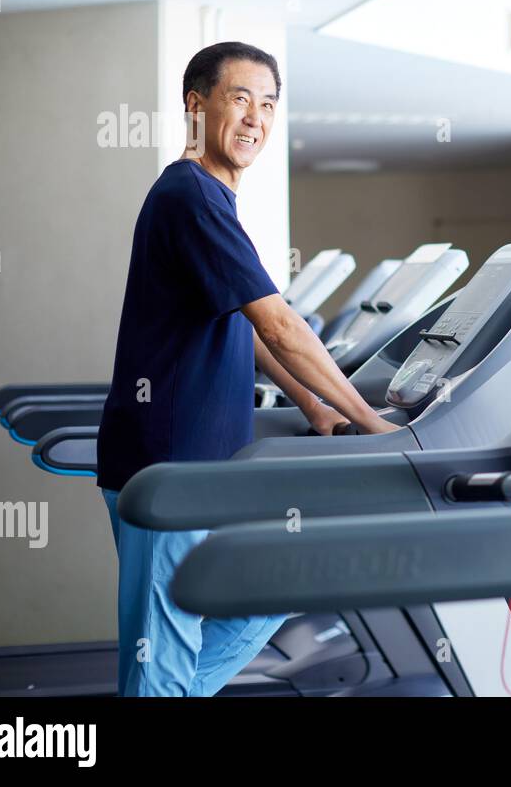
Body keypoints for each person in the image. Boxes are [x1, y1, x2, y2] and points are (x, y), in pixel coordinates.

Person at [96, 41, 398, 696]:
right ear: (195, 105)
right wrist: (372, 422)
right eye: (240, 99)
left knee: (275, 586)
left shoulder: (207, 199)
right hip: (170, 471)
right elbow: (280, 325)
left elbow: (240, 323)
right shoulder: (191, 195)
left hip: (205, 470)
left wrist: (318, 407)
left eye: (267, 104)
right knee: (163, 654)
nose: (256, 118)